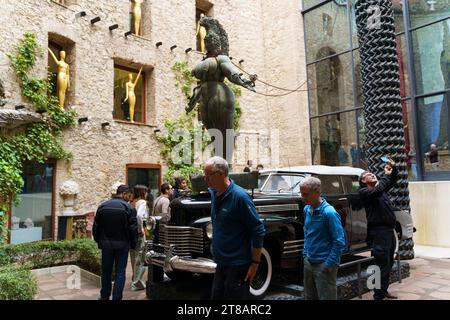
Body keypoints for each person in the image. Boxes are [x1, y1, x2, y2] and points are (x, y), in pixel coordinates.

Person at [187, 16, 255, 161]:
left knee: (223, 129)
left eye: (212, 41)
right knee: (212, 131)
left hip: (219, 95)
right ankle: (218, 159)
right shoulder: (205, 61)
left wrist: (243, 80)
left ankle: (225, 161)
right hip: (205, 98)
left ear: (218, 43)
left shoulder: (222, 58)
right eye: (207, 42)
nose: (209, 44)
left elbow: (231, 72)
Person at [204, 156, 265, 300]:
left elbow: (258, 230)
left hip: (238, 265)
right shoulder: (214, 193)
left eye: (208, 176)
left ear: (220, 174)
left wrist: (255, 263)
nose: (205, 179)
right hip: (221, 262)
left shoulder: (240, 197)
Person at [300, 177, 346, 300]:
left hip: (324, 264)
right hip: (309, 262)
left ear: (317, 192)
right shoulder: (307, 209)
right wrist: (305, 254)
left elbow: (339, 241)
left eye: (305, 194)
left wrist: (329, 264)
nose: (302, 197)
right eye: (301, 193)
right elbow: (308, 233)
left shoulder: (329, 213)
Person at [358, 159, 398, 300]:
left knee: (389, 262)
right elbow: (381, 187)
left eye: (373, 173)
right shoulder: (365, 192)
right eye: (369, 174)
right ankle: (378, 295)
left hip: (388, 231)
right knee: (381, 263)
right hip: (379, 232)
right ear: (363, 181)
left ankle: (383, 290)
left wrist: (393, 169)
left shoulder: (379, 189)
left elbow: (391, 181)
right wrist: (385, 176)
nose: (373, 174)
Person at [93, 185, 138, 300]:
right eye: (129, 196)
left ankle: (104, 295)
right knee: (120, 272)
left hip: (106, 245)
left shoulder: (102, 206)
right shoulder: (129, 208)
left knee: (106, 271)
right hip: (122, 245)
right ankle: (117, 297)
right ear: (124, 194)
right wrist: (134, 244)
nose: (129, 198)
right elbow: (133, 229)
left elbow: (96, 227)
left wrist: (99, 241)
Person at [129, 184, 148, 291]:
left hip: (131, 233)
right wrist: (140, 229)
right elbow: (140, 216)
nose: (146, 193)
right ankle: (137, 283)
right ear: (142, 192)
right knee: (140, 256)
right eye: (145, 191)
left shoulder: (131, 202)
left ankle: (134, 279)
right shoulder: (142, 202)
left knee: (133, 256)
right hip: (139, 232)